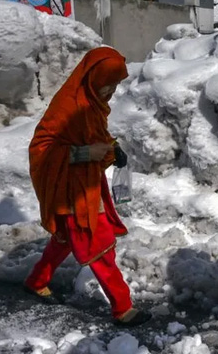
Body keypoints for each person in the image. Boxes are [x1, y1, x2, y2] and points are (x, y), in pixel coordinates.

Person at [24, 47, 150, 327]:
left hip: (87, 184)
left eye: (116, 85)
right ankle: (123, 308)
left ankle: (36, 280)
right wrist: (84, 154)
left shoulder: (92, 102)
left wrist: (112, 149)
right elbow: (42, 149)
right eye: (108, 85)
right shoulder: (67, 107)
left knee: (66, 238)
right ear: (93, 79)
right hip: (71, 191)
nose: (112, 92)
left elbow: (96, 137)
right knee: (99, 243)